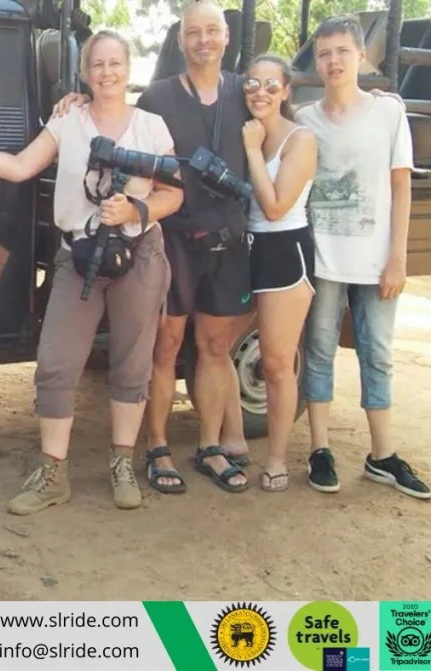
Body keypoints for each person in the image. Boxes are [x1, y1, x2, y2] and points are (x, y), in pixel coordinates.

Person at [0, 30, 183, 514]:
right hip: (79, 254)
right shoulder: (68, 121)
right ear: (85, 73)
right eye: (97, 65)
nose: (106, 72)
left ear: (128, 69)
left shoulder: (151, 126)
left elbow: (175, 193)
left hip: (138, 254)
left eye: (114, 64)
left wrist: (134, 211)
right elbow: (20, 166)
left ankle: (122, 463)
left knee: (132, 364)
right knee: (57, 363)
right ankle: (53, 473)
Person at [54, 0, 254, 494]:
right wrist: (73, 100)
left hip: (228, 235)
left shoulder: (247, 92)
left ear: (227, 36)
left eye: (212, 31)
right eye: (193, 32)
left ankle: (210, 446)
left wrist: (387, 102)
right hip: (174, 237)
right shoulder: (160, 98)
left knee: (214, 347)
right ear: (180, 39)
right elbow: (113, 109)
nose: (203, 40)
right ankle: (157, 446)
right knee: (164, 346)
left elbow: (287, 116)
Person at [295, 14, 431, 499]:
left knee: (378, 354)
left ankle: (383, 454)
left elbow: (401, 185)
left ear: (360, 57)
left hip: (376, 259)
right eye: (324, 53)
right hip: (324, 257)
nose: (332, 61)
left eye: (341, 52)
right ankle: (320, 449)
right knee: (318, 351)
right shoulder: (303, 118)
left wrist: (398, 256)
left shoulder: (388, 113)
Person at [240, 54, 317, 492]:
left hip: (283, 252)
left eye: (272, 85)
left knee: (274, 363)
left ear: (286, 91)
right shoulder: (248, 129)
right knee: (216, 345)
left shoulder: (299, 139)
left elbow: (274, 208)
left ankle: (275, 458)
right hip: (243, 248)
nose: (261, 92)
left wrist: (252, 150)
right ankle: (229, 442)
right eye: (253, 83)